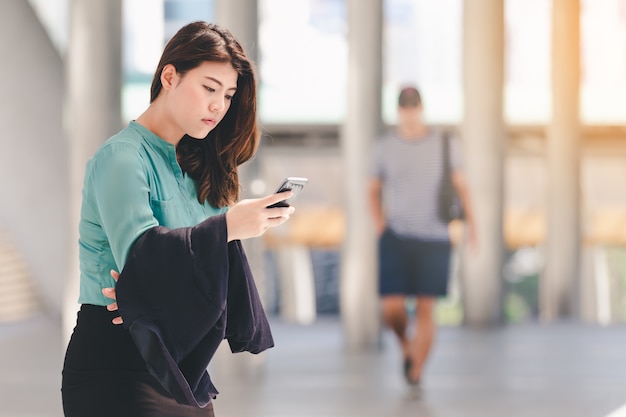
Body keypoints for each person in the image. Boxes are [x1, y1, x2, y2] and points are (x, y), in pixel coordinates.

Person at [61, 22, 295, 416]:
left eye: (228, 95)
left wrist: (152, 288)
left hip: (181, 371)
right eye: (209, 88)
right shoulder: (122, 158)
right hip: (116, 365)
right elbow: (144, 256)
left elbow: (169, 273)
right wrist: (227, 226)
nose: (219, 106)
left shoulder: (193, 169)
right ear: (169, 76)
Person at [369, 85, 477, 387]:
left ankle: (415, 370)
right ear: (398, 110)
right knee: (391, 310)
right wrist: (380, 225)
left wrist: (474, 228)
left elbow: (463, 186)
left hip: (435, 237)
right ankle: (407, 347)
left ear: (421, 108)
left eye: (414, 106)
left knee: (427, 308)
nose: (410, 112)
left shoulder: (445, 143)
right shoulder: (385, 146)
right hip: (397, 236)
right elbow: (372, 189)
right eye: (405, 107)